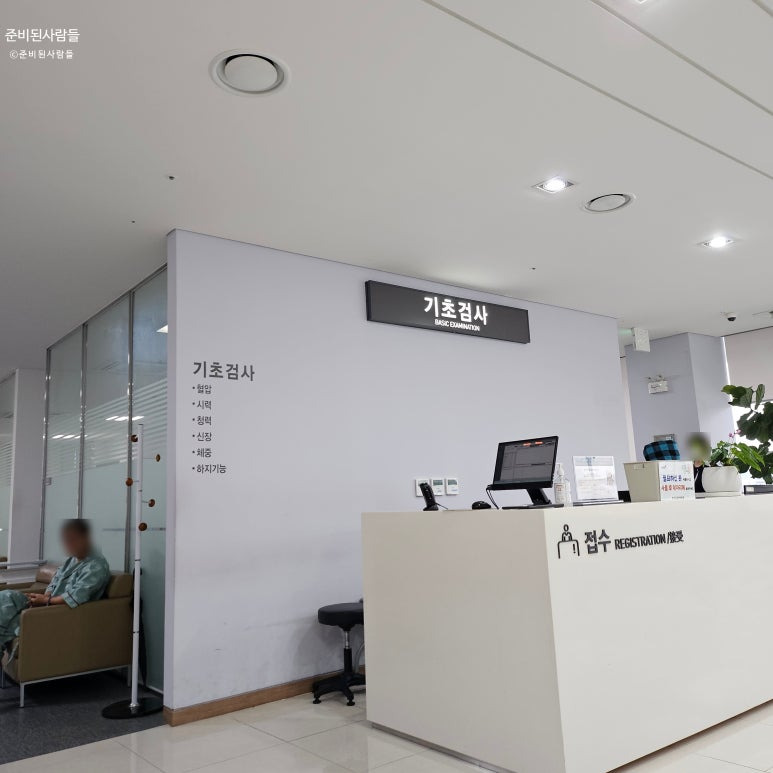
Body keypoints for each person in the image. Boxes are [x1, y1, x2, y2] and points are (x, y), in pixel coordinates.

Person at [0, 519, 110, 650]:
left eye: (72, 540)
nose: (68, 545)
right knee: (6, 597)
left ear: (86, 538)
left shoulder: (96, 567)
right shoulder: (72, 560)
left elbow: (76, 596)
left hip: (61, 614)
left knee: (7, 616)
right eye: (66, 540)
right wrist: (42, 598)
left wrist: (46, 601)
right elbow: (55, 581)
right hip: (47, 605)